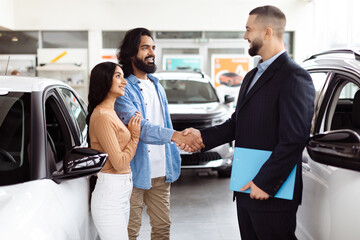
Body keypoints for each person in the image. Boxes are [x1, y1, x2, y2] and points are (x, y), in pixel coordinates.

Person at [183, 5, 315, 240]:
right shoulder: (251, 76)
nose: (245, 36)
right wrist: (201, 137)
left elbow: (294, 139)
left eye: (248, 29)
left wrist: (265, 183)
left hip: (271, 192)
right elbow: (237, 124)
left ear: (267, 32)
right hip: (245, 187)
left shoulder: (294, 76)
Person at [114, 28, 203, 240]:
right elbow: (141, 128)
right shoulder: (123, 89)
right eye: (145, 48)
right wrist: (177, 136)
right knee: (129, 232)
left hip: (162, 171)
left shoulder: (157, 85)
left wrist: (178, 141)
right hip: (134, 172)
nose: (151, 52)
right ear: (130, 54)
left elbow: (164, 122)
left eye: (153, 47)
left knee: (163, 229)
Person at [86, 61, 142, 240]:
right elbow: (119, 163)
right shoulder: (102, 115)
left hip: (120, 192)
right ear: (104, 81)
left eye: (123, 76)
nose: (124, 81)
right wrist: (135, 136)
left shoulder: (111, 113)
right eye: (118, 76)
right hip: (110, 195)